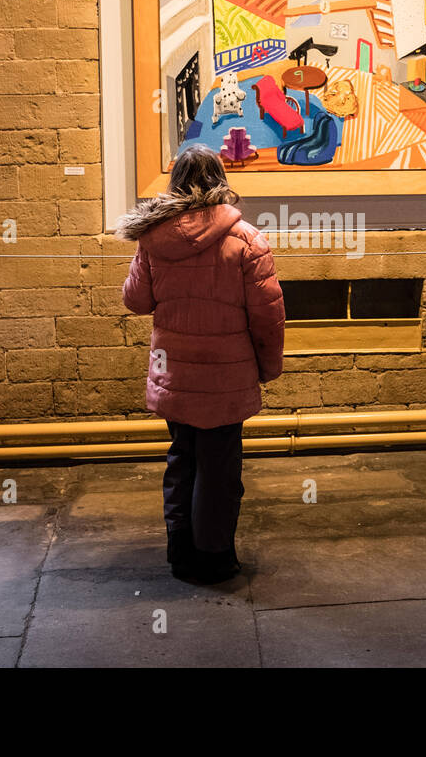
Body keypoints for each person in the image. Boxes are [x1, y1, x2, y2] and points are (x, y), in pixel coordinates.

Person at [117, 145, 285, 584]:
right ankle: (214, 559)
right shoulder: (247, 239)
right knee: (220, 467)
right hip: (227, 377)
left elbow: (136, 301)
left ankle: (181, 554)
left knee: (182, 459)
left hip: (175, 373)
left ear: (175, 181)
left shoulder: (154, 239)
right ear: (221, 178)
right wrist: (267, 367)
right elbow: (267, 315)